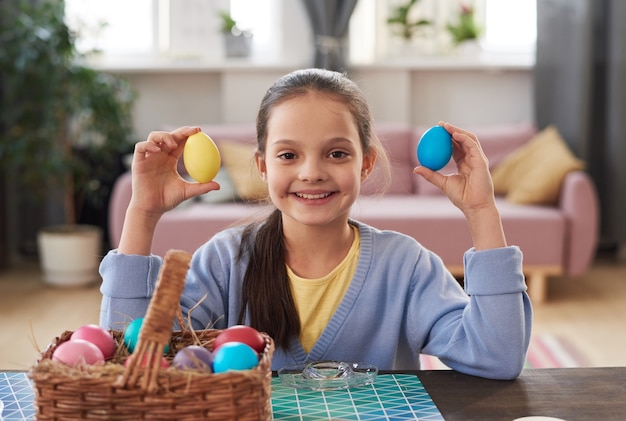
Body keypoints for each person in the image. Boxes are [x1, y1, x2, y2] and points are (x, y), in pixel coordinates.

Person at [99, 68, 532, 380]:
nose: (311, 172)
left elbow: (497, 356)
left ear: (366, 164)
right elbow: (133, 359)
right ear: (262, 167)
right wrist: (142, 214)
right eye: (288, 155)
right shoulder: (226, 261)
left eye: (336, 153)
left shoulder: (406, 266)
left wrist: (482, 212)